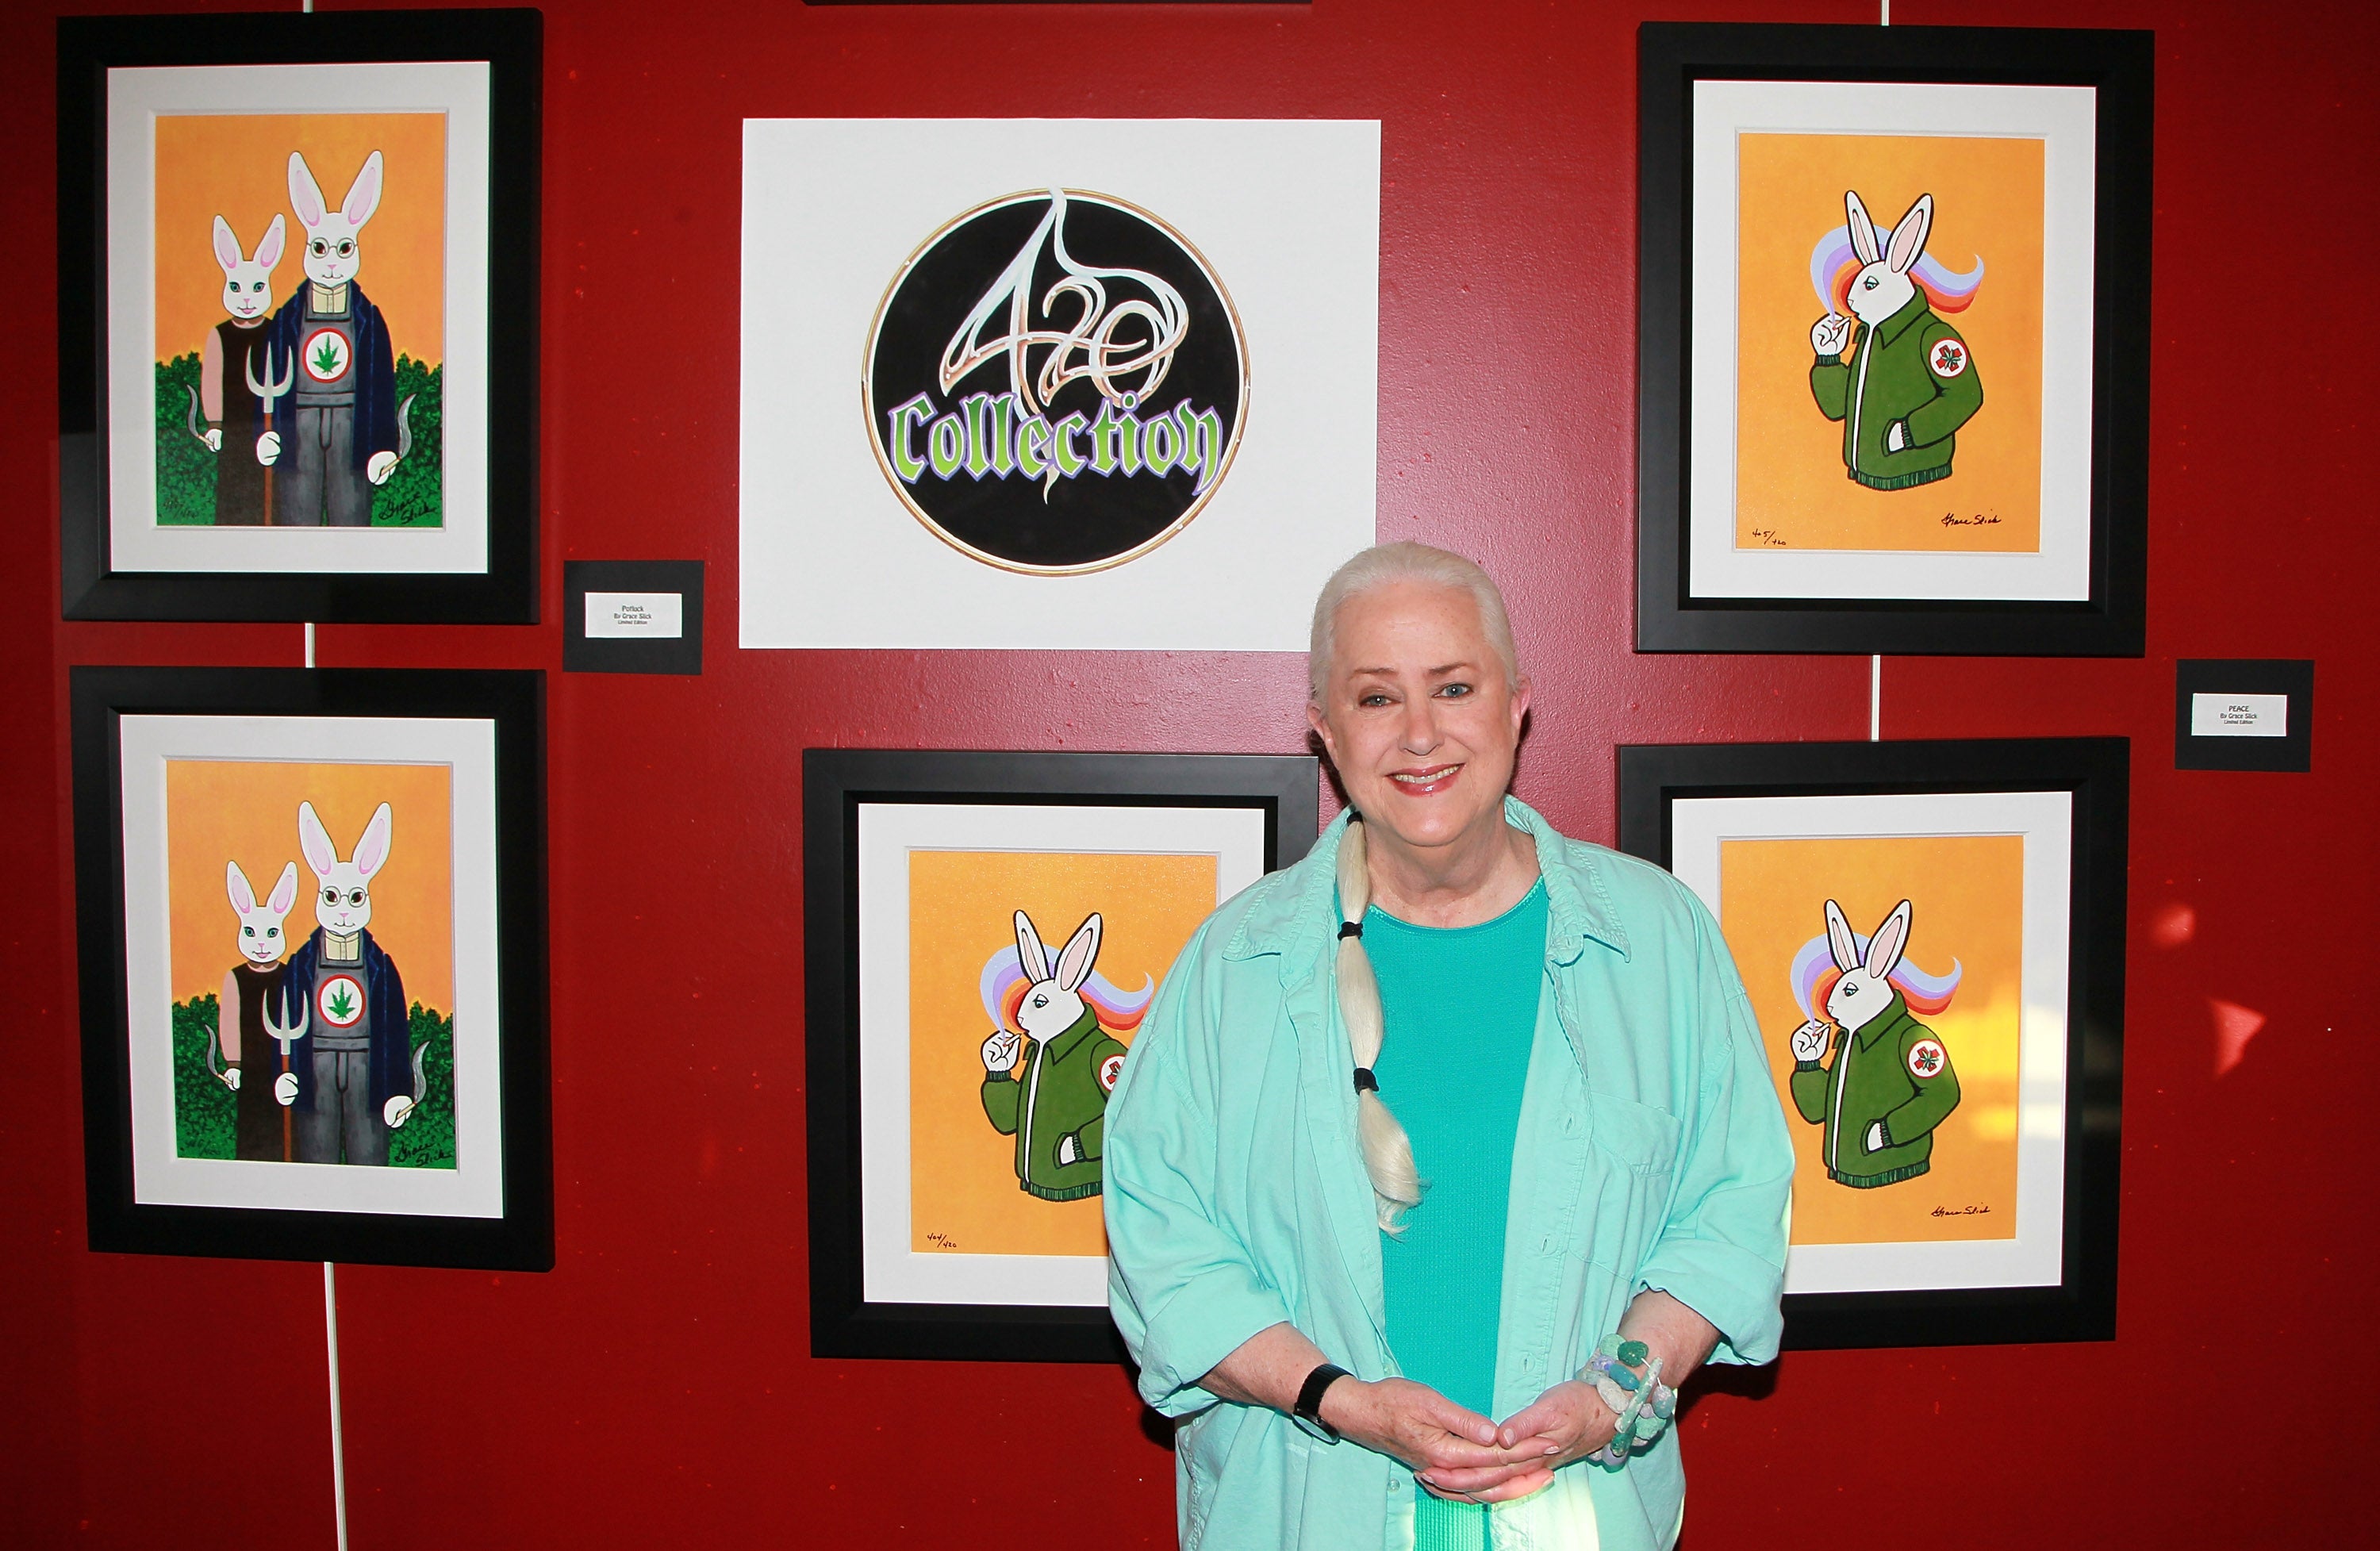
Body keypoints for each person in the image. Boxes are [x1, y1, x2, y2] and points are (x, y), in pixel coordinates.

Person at [1104, 542, 1794, 1549]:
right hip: (1304, 1513)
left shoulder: (1658, 939)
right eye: (1377, 697)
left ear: (1517, 700)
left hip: (1578, 1516)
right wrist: (1344, 1399)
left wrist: (1612, 1396)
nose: (1420, 735)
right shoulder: (1232, 966)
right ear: (1324, 727)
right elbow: (1162, 1251)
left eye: (1455, 687)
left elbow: (1729, 1211)